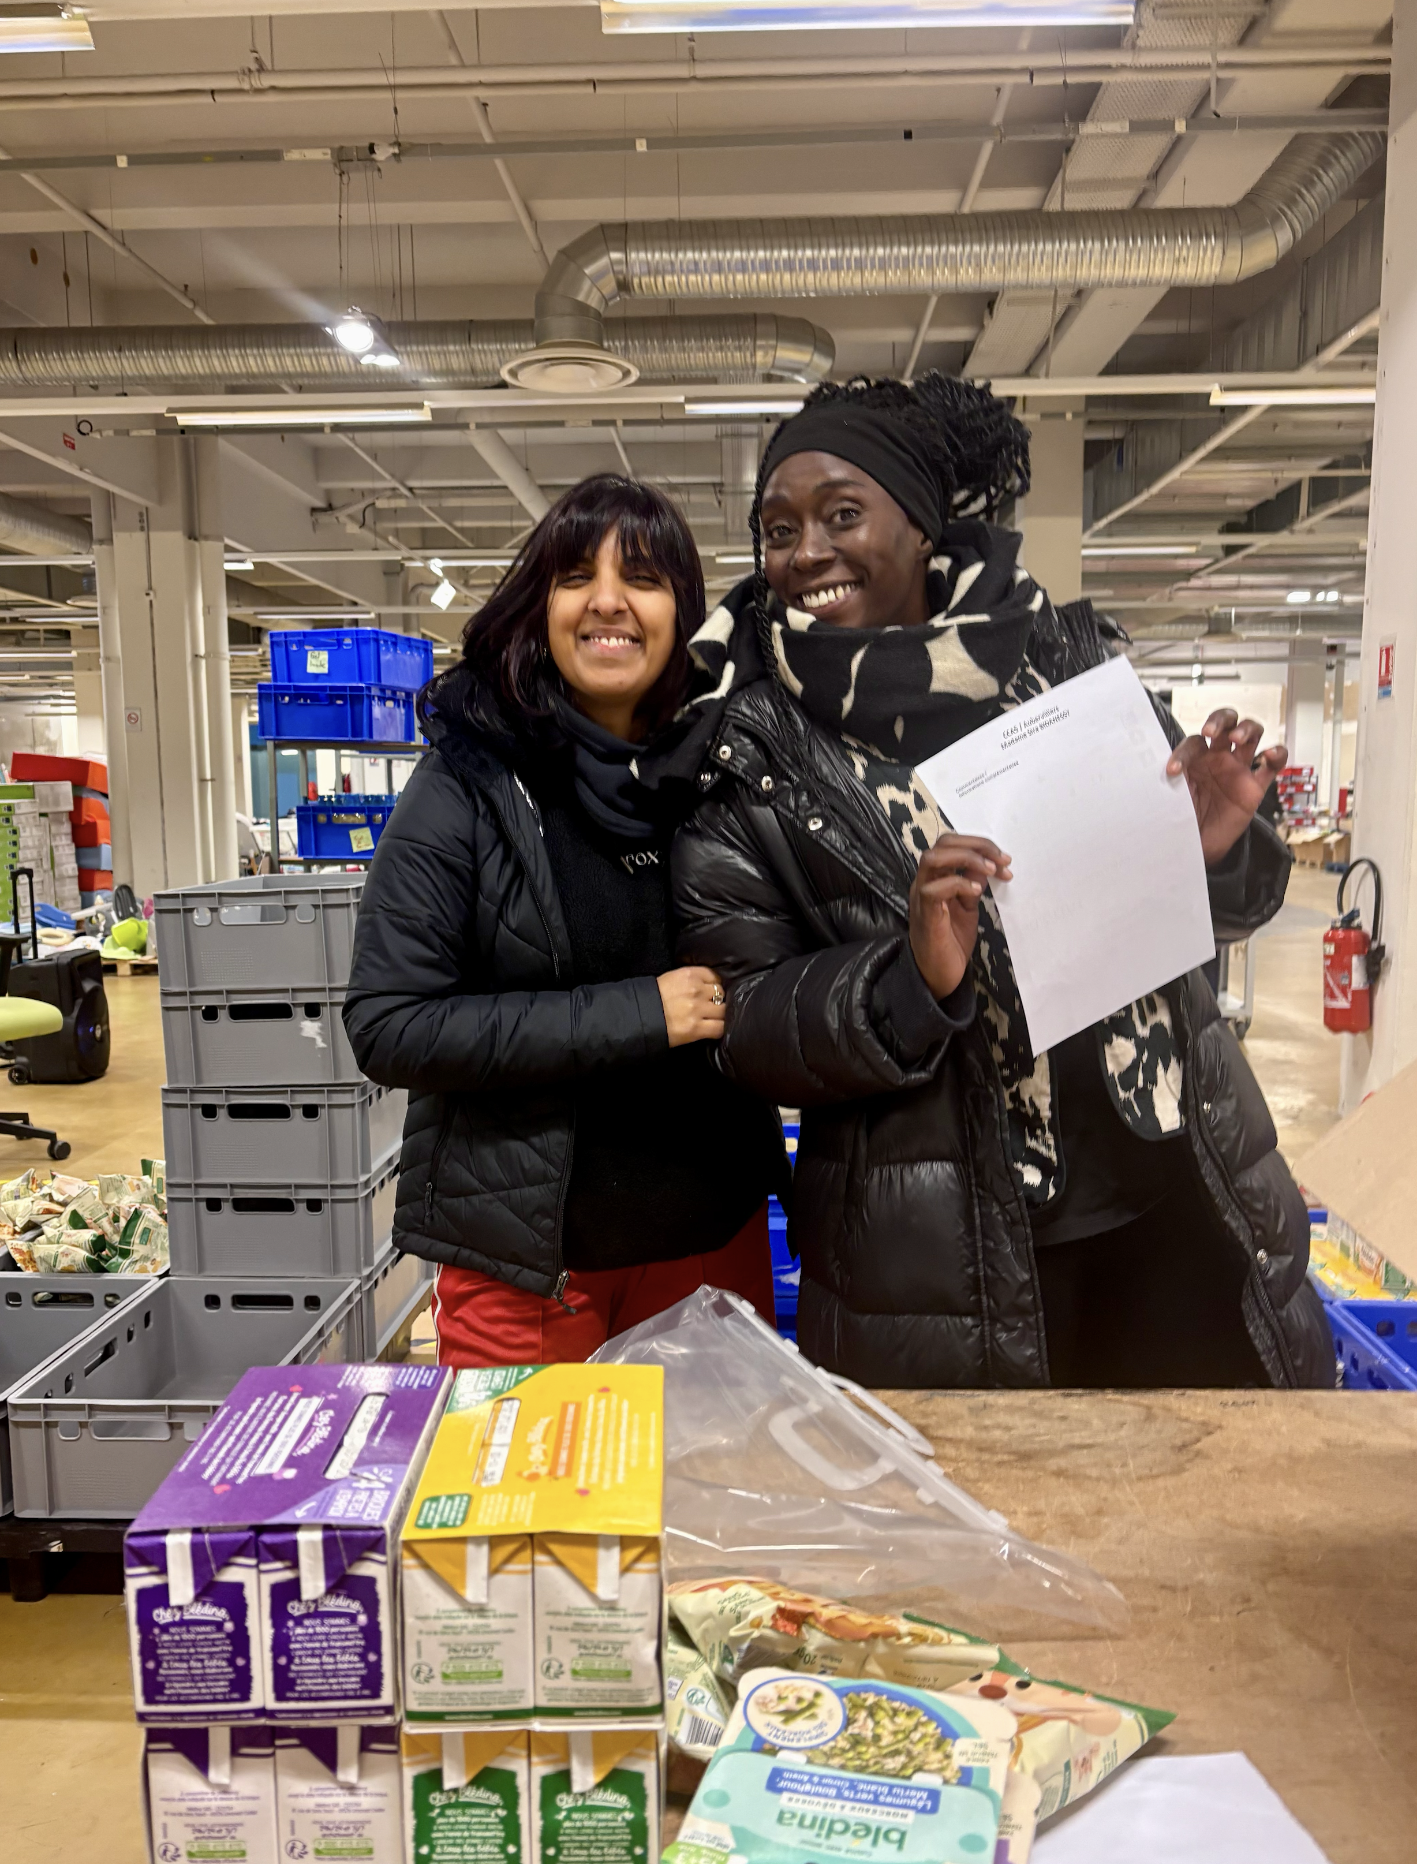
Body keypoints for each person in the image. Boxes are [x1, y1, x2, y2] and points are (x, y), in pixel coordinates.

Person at [665, 374, 1334, 1390]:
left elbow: (1218, 914)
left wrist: (1210, 849)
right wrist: (907, 979)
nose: (805, 552)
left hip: (1180, 1198)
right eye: (777, 528)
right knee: (998, 1537)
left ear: (922, 524)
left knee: (1209, 1515)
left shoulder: (1067, 665)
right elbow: (746, 1023)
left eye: (843, 514)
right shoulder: (751, 747)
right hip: (946, 1257)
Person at [344, 475, 787, 1366]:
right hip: (530, 1273)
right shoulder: (468, 782)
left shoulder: (729, 772)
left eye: (645, 577)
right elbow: (389, 1024)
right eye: (578, 574)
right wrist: (640, 1013)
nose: (609, 601)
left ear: (683, 613)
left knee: (713, 1502)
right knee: (533, 1509)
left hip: (711, 1247)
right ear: (540, 603)